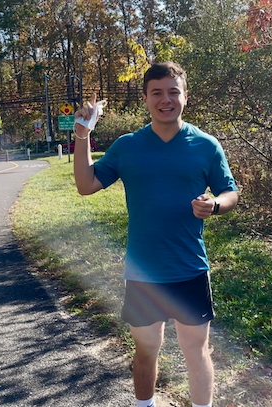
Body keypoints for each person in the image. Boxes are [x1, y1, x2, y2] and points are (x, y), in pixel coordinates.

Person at [73, 61, 239, 407]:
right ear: (146, 99)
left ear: (185, 96)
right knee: (147, 351)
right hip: (143, 272)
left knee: (197, 352)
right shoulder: (127, 146)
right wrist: (82, 136)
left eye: (173, 92)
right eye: (157, 93)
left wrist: (216, 205)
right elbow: (86, 185)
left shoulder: (206, 145)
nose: (166, 100)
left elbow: (229, 191)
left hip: (190, 269)